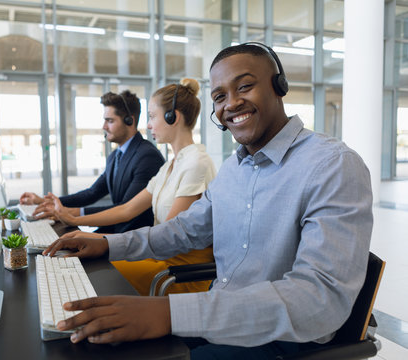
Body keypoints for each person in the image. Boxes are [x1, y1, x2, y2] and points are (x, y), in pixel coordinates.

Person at [42, 43, 373, 359]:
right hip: (220, 318)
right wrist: (108, 244)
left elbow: (319, 300)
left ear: (278, 86)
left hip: (282, 342)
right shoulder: (233, 169)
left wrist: (170, 313)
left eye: (244, 87)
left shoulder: (332, 165)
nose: (230, 103)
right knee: (93, 346)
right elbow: (183, 231)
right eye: (220, 96)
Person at [46, 78, 217, 296]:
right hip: (158, 257)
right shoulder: (170, 166)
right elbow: (127, 209)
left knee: (91, 273)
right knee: (84, 265)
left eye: (152, 116)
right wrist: (76, 222)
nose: (147, 125)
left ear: (173, 116)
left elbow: (168, 235)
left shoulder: (196, 163)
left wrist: (100, 241)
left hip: (175, 270)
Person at [20, 90, 165, 234]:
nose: (104, 126)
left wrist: (72, 214)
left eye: (110, 120)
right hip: (116, 230)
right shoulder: (115, 156)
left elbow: (125, 208)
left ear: (130, 121)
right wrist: (44, 201)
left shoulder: (147, 157)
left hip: (133, 237)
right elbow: (92, 193)